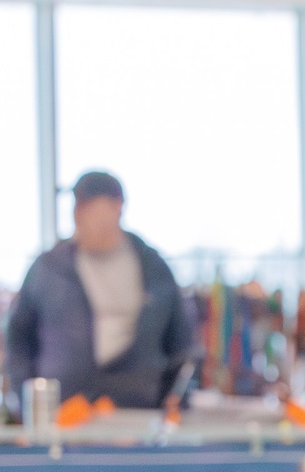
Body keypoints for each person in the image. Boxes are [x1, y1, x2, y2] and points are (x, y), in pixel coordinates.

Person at [5, 171, 195, 416]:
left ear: (118, 208)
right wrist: (26, 403)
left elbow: (181, 343)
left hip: (136, 412)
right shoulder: (48, 268)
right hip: (62, 414)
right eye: (81, 212)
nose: (87, 223)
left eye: (96, 213)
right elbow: (18, 338)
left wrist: (172, 399)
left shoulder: (153, 267)